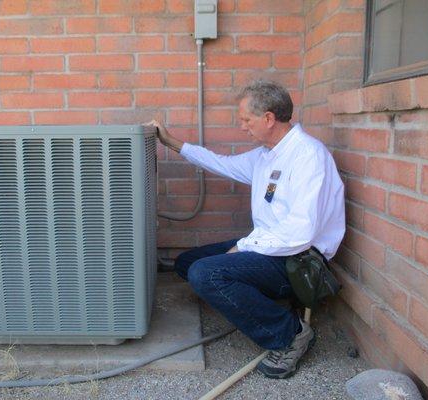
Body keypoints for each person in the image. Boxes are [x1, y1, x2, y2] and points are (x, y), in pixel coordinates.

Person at [147, 80, 345, 379]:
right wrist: (173, 143)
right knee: (187, 263)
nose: (242, 127)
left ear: (268, 118)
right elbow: (222, 164)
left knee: (206, 273)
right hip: (271, 249)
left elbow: (298, 232)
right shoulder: (267, 154)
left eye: (246, 120)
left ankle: (289, 334)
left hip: (299, 261)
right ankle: (263, 305)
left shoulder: (308, 156)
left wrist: (243, 247)